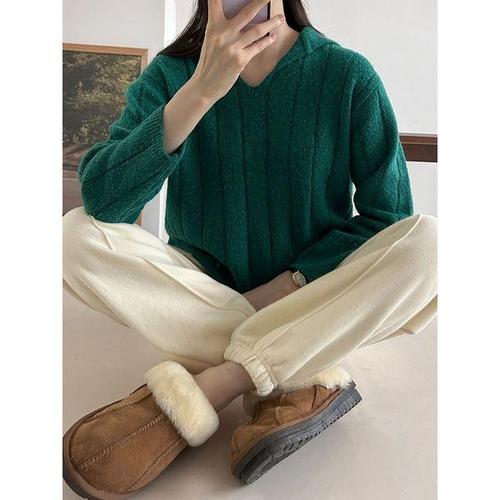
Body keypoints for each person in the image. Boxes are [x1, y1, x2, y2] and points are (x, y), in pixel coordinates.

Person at [62, 0, 437, 497]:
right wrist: (201, 90)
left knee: (433, 244)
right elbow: (103, 200)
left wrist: (292, 283)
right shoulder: (172, 75)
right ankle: (299, 366)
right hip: (204, 286)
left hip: (310, 292)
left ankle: (216, 382)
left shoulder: (346, 75)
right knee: (72, 236)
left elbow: (388, 217)